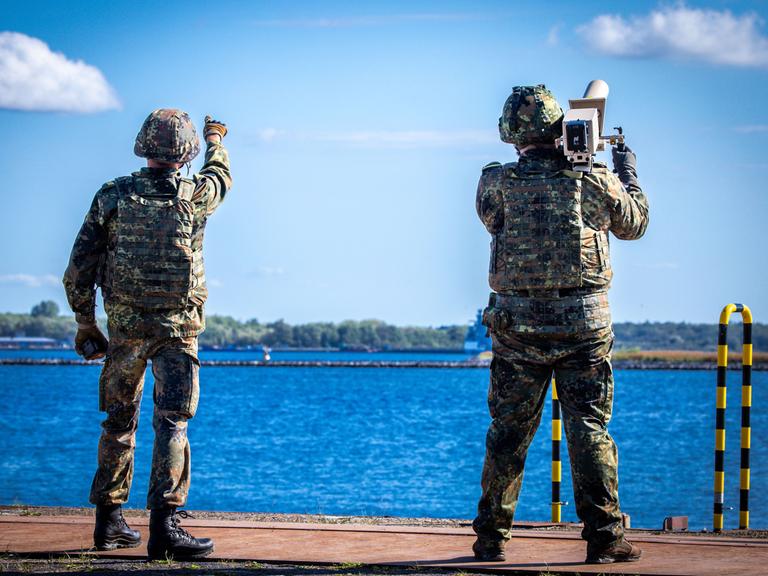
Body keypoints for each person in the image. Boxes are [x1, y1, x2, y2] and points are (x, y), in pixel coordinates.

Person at [471, 85, 649, 565]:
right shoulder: (591, 181)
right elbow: (635, 223)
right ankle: (607, 539)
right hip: (583, 329)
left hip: (517, 329)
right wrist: (625, 172)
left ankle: (491, 538)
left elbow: (491, 219)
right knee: (589, 429)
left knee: (508, 432)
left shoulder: (496, 183)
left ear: (510, 134)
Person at [63, 109, 232, 559]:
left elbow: (79, 268)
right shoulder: (197, 194)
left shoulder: (112, 196)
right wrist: (216, 138)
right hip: (178, 329)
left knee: (119, 423)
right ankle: (165, 528)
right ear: (185, 153)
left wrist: (85, 323)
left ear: (143, 146)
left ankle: (109, 523)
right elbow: (221, 175)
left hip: (126, 328)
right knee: (172, 422)